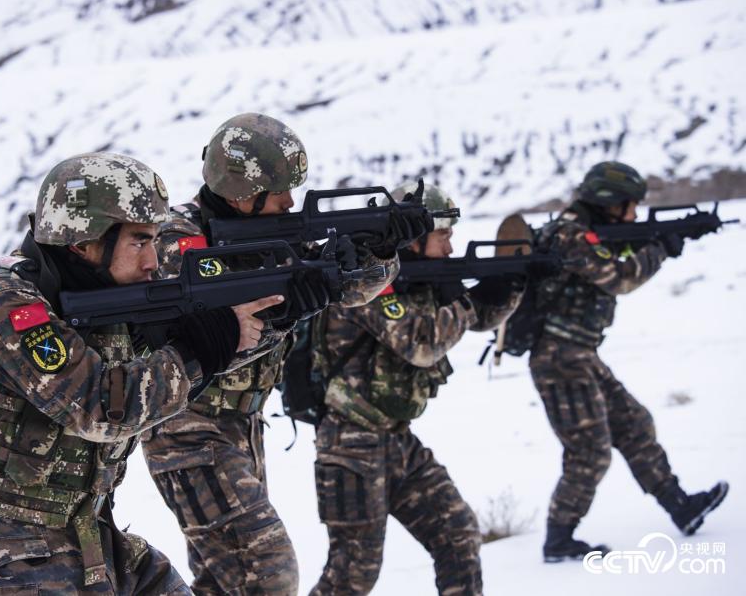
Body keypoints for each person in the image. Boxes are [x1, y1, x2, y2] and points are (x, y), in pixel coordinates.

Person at [0, 152, 280, 594]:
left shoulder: (102, 303)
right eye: (139, 242)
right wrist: (203, 347)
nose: (153, 260)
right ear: (83, 241)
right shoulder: (6, 307)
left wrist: (273, 319)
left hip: (89, 532)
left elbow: (176, 370)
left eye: (155, 240)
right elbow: (100, 407)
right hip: (12, 557)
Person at [141, 113, 415, 595]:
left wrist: (380, 248)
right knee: (267, 573)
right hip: (187, 430)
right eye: (281, 191)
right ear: (244, 193)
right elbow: (203, 346)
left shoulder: (276, 234)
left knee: (223, 583)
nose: (291, 202)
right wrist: (283, 316)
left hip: (243, 427)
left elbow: (352, 291)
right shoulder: (176, 244)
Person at [309, 183, 522, 595]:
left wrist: (511, 284)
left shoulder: (424, 280)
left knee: (458, 533)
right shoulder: (368, 281)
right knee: (353, 573)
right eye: (443, 235)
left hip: (398, 440)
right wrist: (471, 304)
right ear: (416, 237)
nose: (450, 245)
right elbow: (420, 343)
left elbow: (477, 319)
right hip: (350, 444)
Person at [530, 161, 728, 562]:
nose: (635, 214)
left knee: (634, 424)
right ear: (609, 202)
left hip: (580, 353)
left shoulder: (590, 231)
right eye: (630, 206)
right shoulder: (569, 234)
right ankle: (559, 539)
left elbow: (617, 251)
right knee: (589, 451)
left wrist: (674, 233)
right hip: (560, 358)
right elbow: (618, 277)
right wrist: (661, 248)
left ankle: (680, 507)